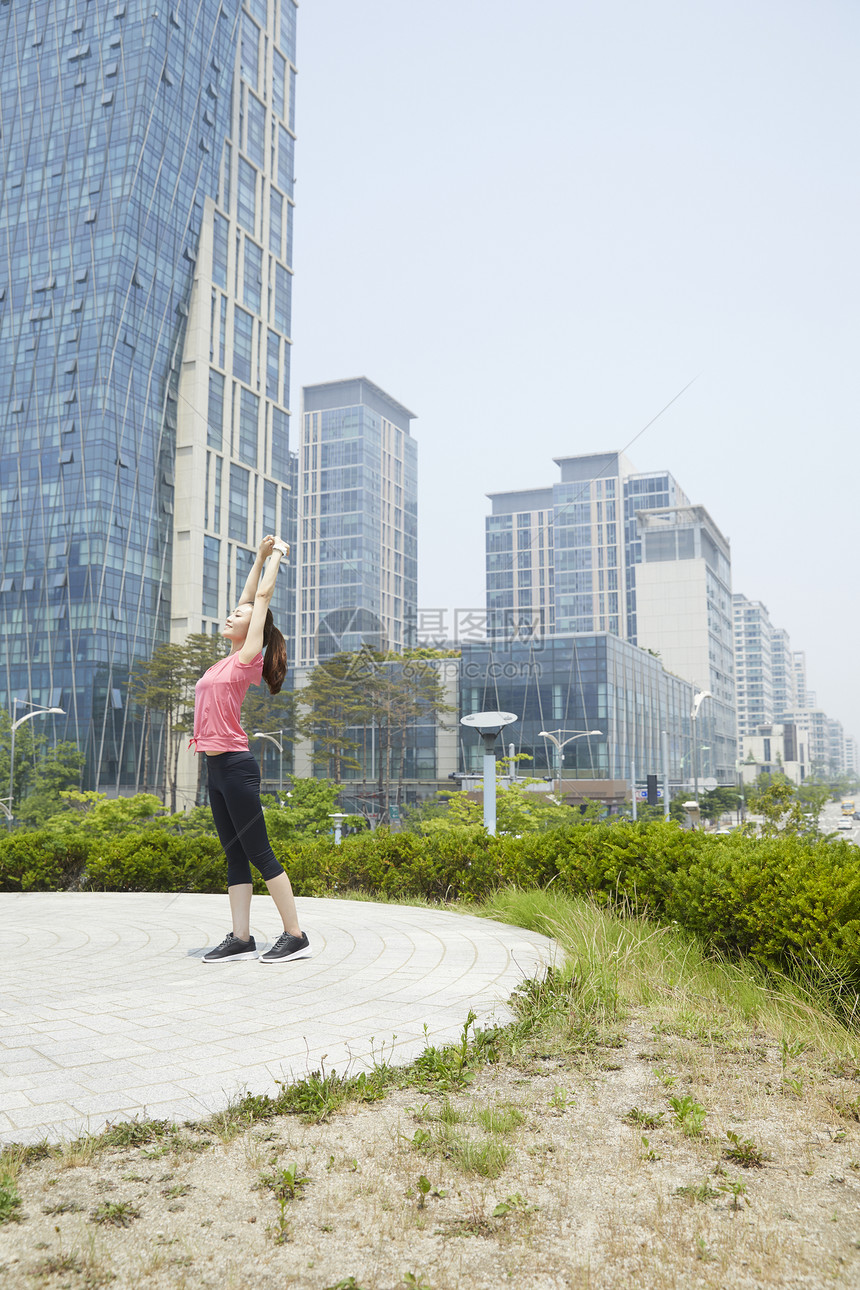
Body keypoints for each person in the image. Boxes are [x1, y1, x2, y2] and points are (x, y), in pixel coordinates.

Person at [191, 534, 310, 965]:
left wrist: (277, 554)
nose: (230, 614)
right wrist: (256, 557)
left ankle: (295, 934)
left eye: (238, 616)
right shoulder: (227, 657)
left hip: (237, 767)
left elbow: (259, 597)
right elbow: (247, 596)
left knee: (260, 853)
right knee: (234, 855)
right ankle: (241, 938)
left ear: (255, 627)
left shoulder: (248, 658)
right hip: (215, 768)